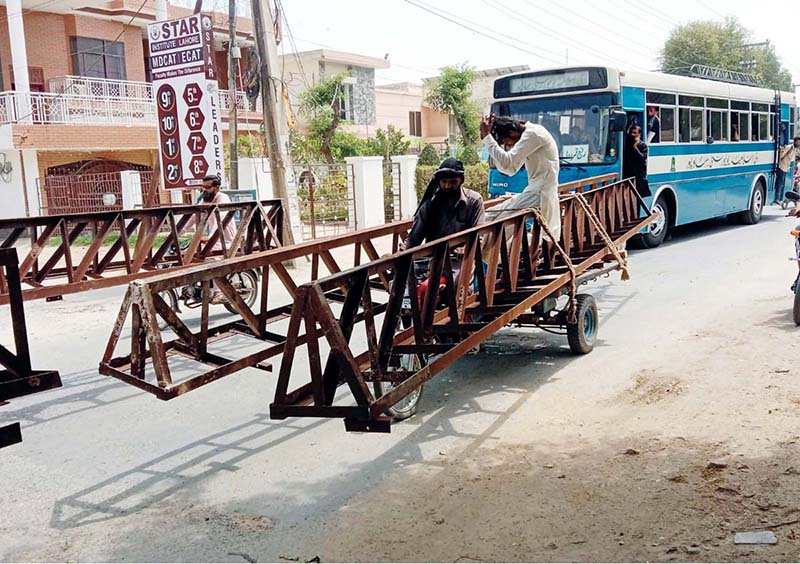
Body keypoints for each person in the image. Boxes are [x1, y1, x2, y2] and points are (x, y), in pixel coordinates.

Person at [402, 157, 485, 308]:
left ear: (461, 180)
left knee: (453, 287)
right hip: (434, 260)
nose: (447, 186)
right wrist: (399, 254)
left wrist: (466, 248)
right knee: (406, 286)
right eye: (444, 182)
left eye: (453, 182)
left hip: (461, 260)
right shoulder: (430, 206)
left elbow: (478, 234)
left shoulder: (474, 201)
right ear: (439, 182)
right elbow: (414, 238)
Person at [480, 115, 561, 241]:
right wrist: (489, 140)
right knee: (491, 213)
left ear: (512, 132)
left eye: (507, 142)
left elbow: (508, 164)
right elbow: (510, 169)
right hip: (535, 191)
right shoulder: (529, 135)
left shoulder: (533, 134)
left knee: (501, 222)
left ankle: (484, 258)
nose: (509, 145)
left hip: (541, 193)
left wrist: (487, 138)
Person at [623, 125, 652, 198]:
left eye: (635, 133)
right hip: (628, 175)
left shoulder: (643, 146)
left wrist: (635, 148)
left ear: (639, 134)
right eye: (631, 133)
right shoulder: (627, 144)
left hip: (638, 177)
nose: (633, 135)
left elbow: (642, 158)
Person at [773, 137, 800, 204]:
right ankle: (777, 199)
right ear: (795, 142)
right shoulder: (789, 147)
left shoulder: (794, 149)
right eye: (799, 142)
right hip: (781, 167)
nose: (799, 144)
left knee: (781, 183)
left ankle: (779, 199)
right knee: (779, 183)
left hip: (785, 168)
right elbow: (781, 155)